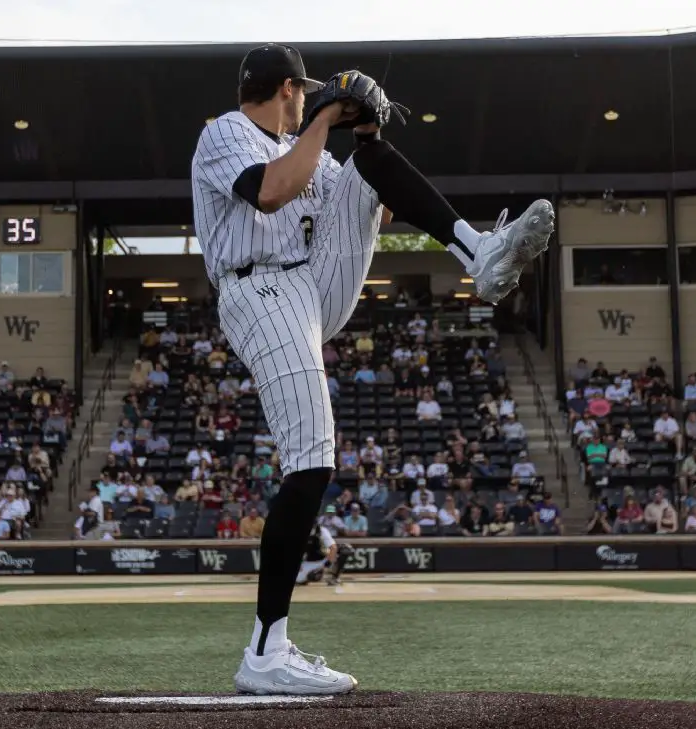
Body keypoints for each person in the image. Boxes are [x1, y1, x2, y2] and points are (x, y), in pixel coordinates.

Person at [193, 43, 554, 696]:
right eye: (304, 92)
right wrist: (324, 121)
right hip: (258, 290)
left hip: (312, 284)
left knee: (368, 166)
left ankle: (480, 250)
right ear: (287, 90)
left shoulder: (311, 145)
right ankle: (265, 649)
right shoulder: (225, 132)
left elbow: (378, 208)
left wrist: (365, 133)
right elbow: (271, 192)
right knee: (310, 459)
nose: (307, 100)